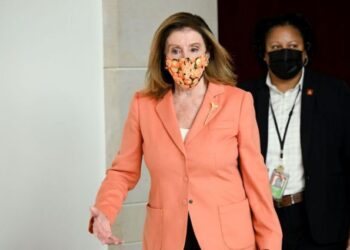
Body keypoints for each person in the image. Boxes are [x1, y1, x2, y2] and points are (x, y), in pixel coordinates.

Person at [89, 12, 282, 250]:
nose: (186, 58)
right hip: (167, 238)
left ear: (207, 54)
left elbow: (256, 181)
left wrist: (270, 244)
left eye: (194, 49)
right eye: (176, 51)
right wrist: (105, 211)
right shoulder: (143, 105)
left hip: (228, 239)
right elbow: (123, 171)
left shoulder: (237, 102)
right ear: (164, 57)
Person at [238, 13, 350, 250]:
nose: (285, 52)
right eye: (276, 47)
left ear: (305, 52)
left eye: (292, 46)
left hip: (321, 220)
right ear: (265, 55)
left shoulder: (334, 92)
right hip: (259, 217)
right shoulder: (244, 96)